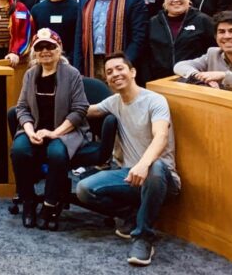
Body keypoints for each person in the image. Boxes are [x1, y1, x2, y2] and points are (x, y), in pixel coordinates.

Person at [76, 53, 179, 267]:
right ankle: (132, 216)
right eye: (110, 72)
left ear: (132, 72)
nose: (115, 74)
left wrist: (143, 164)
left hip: (160, 178)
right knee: (84, 189)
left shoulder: (155, 100)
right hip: (129, 176)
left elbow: (161, 136)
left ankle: (143, 238)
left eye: (120, 68)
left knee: (156, 166)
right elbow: (88, 111)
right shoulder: (114, 102)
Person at [10, 29, 91, 228]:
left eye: (50, 46)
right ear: (34, 52)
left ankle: (50, 203)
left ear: (59, 48)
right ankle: (28, 201)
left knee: (56, 154)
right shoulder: (30, 74)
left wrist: (54, 133)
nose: (45, 50)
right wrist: (29, 131)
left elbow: (80, 109)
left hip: (65, 131)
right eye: (40, 47)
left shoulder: (71, 74)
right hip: (35, 129)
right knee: (19, 150)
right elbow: (21, 108)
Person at [73, 0, 148, 82]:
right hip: (91, 62)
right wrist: (77, 69)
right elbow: (79, 36)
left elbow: (139, 37)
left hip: (121, 64)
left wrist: (123, 64)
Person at [147, 0, 215, 82]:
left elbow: (213, 53)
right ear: (164, 0)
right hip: (160, 82)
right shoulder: (153, 23)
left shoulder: (204, 21)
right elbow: (146, 55)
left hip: (194, 82)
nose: (175, 0)